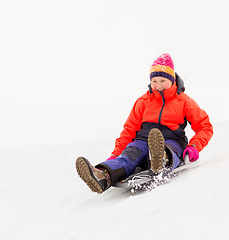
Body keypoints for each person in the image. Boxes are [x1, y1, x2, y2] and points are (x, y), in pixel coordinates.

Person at [76, 53, 213, 194]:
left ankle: (161, 160)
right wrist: (115, 155)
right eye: (154, 81)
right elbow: (129, 130)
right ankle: (103, 175)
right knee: (128, 156)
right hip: (142, 140)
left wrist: (194, 146)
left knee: (168, 150)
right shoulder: (143, 101)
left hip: (173, 140)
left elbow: (205, 126)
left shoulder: (184, 101)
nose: (158, 86)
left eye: (162, 81)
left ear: (172, 80)